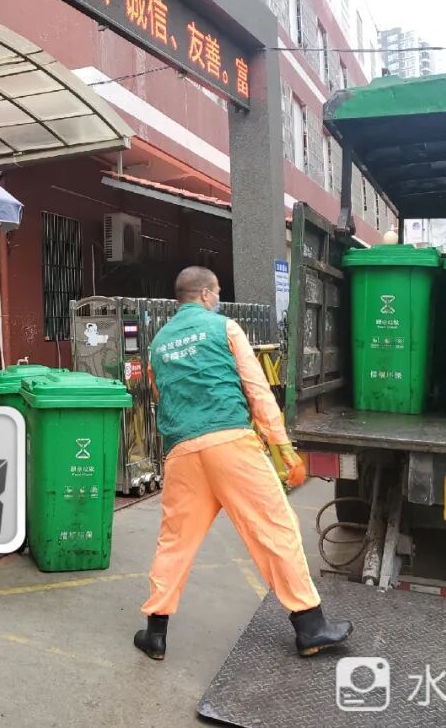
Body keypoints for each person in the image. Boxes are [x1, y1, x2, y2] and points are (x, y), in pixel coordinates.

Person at [133, 267, 352, 659]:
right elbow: (257, 390)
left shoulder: (158, 344)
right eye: (216, 292)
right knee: (274, 529)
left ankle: (155, 633)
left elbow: (160, 395)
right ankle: (310, 626)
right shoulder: (225, 328)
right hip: (230, 443)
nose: (218, 298)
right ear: (204, 294)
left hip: (182, 452)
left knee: (174, 543)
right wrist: (283, 447)